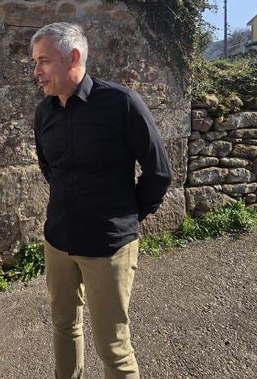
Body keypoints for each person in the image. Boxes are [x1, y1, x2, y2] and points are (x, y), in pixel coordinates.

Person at [31, 22, 172, 379]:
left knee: (113, 344)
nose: (36, 72)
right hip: (58, 241)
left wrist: (125, 216)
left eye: (43, 61)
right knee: (64, 326)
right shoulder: (43, 113)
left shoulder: (121, 103)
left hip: (109, 247)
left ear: (73, 57)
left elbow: (158, 171)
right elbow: (50, 169)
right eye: (35, 63)